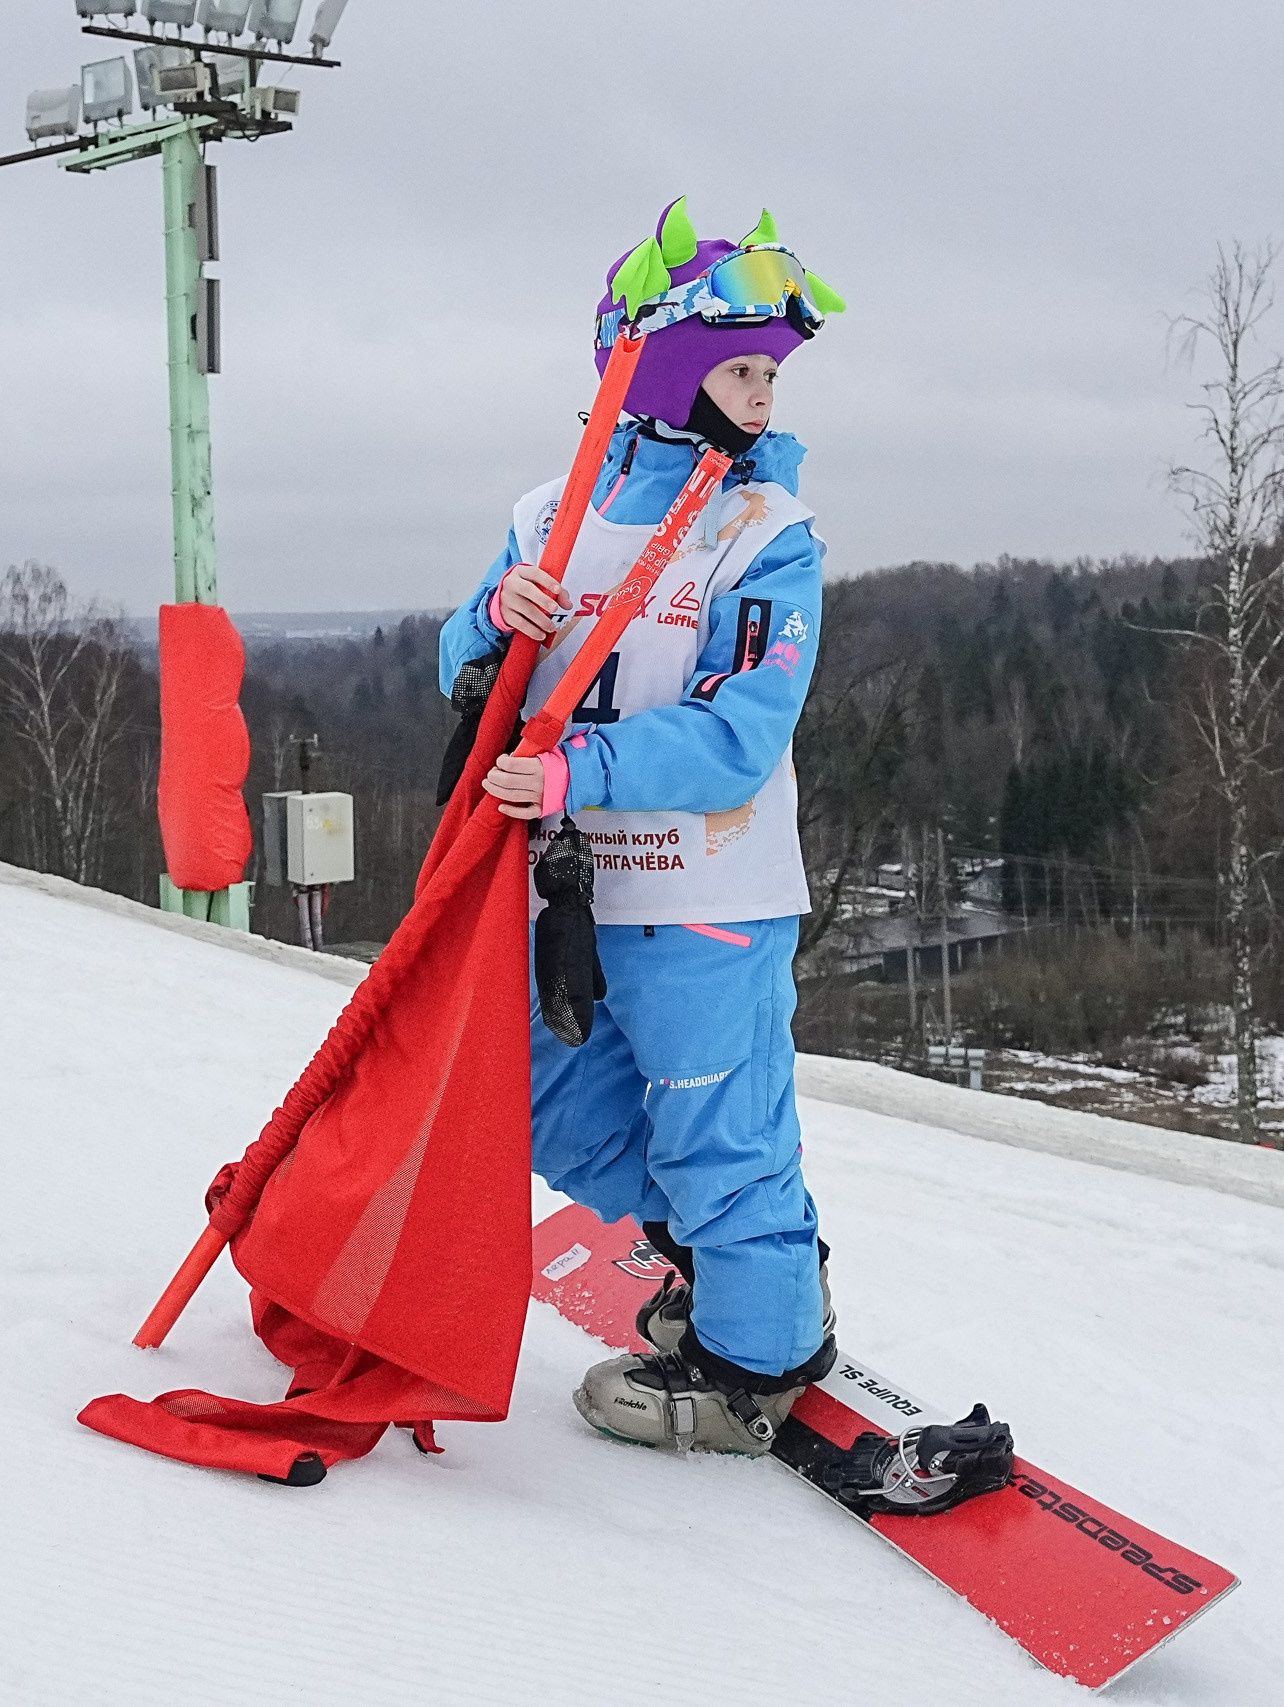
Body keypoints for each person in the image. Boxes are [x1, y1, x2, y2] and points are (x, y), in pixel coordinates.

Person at [441, 197, 846, 1456]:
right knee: (556, 1103)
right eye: (737, 368)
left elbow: (741, 733)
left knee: (715, 1120)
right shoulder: (546, 513)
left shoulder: (765, 536)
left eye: (771, 373)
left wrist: (578, 768)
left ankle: (754, 1359)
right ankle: (720, 1269)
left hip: (706, 890)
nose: (762, 395)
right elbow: (463, 665)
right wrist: (491, 623)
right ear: (657, 363)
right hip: (571, 888)